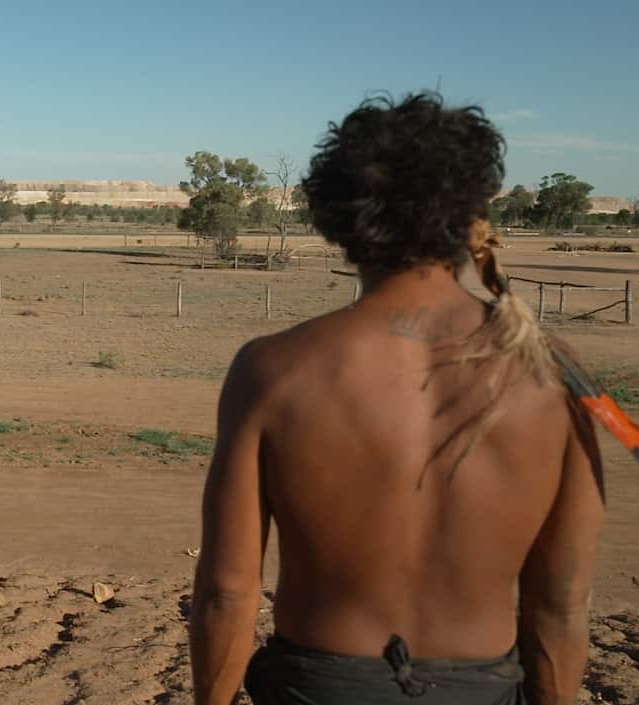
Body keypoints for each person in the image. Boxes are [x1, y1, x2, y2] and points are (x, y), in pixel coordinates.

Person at [189, 93, 606, 705]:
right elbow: (561, 606)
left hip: (319, 687)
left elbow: (227, 592)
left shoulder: (273, 369)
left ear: (337, 219)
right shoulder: (554, 371)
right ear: (472, 218)